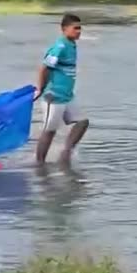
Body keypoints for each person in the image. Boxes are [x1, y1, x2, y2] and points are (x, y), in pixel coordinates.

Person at [33, 13, 89, 163]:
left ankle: (66, 153)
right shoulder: (60, 46)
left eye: (80, 28)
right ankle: (40, 163)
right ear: (64, 29)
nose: (78, 31)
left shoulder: (72, 45)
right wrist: (40, 89)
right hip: (54, 96)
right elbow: (44, 68)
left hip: (67, 96)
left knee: (82, 122)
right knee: (50, 131)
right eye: (75, 28)